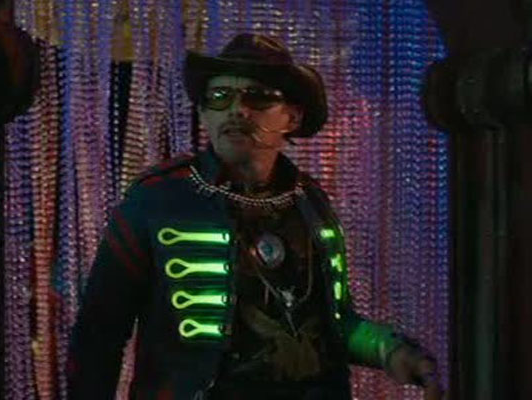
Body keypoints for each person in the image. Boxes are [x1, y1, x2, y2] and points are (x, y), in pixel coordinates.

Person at [67, 33, 444, 399]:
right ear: (203, 112)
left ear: (292, 117)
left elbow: (332, 325)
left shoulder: (310, 203)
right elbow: (99, 332)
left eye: (258, 97)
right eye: (219, 97)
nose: (237, 110)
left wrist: (390, 349)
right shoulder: (159, 198)